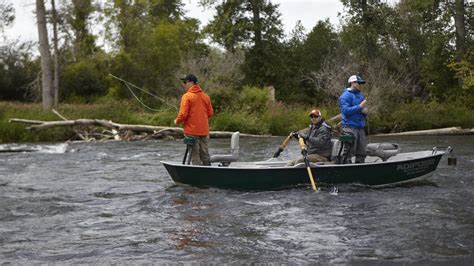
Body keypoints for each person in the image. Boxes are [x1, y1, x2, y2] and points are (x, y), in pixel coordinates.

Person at [174, 74, 214, 165]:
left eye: (185, 82)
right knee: (205, 154)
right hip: (204, 131)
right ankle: (208, 172)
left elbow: (183, 114)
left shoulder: (187, 96)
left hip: (191, 132)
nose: (184, 84)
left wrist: (177, 121)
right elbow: (210, 113)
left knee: (195, 154)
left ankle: (198, 174)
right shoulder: (206, 96)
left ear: (191, 83)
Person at [339, 74, 368, 164]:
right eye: (358, 83)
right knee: (348, 151)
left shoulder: (360, 96)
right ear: (352, 83)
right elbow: (345, 111)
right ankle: (346, 168)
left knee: (362, 151)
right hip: (349, 127)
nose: (360, 85)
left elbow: (361, 111)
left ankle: (360, 167)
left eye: (361, 83)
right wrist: (360, 107)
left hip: (360, 127)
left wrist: (365, 112)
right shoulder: (345, 96)